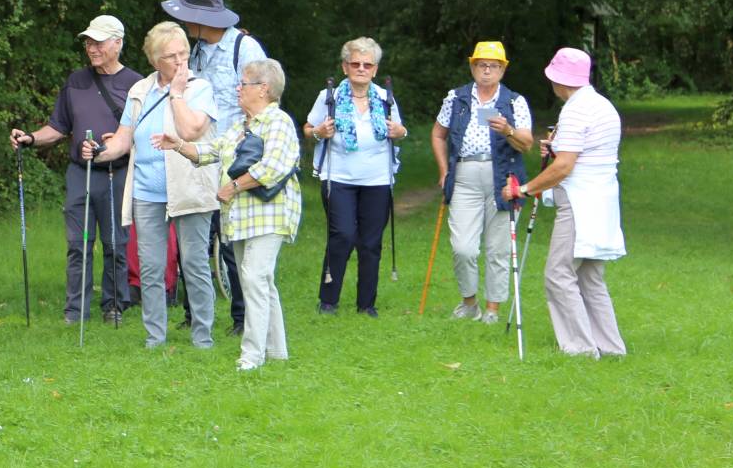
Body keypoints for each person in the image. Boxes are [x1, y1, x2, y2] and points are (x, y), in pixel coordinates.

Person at [153, 59, 301, 369]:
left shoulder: (279, 123)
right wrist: (177, 144)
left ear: (263, 89)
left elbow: (272, 168)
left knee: (254, 276)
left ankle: (251, 356)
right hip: (243, 217)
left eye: (244, 83)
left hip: (271, 214)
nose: (238, 88)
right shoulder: (241, 126)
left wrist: (232, 187)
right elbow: (212, 151)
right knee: (262, 281)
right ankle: (278, 352)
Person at [85, 22, 217, 348]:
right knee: (151, 267)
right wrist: (100, 153)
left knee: (195, 263)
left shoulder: (199, 88)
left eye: (184, 54)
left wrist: (176, 93)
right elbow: (122, 140)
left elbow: (192, 131)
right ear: (155, 59)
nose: (180, 62)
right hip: (146, 190)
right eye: (171, 56)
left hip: (188, 187)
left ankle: (203, 337)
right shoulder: (139, 91)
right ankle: (154, 337)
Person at [9, 14, 142, 326]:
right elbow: (58, 127)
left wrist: (119, 144)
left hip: (118, 174)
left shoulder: (136, 85)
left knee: (115, 244)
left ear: (117, 43)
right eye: (88, 42)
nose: (91, 48)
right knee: (78, 244)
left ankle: (114, 306)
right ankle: (75, 311)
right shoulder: (76, 81)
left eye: (98, 41)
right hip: (79, 174)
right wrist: (31, 138)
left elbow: (144, 134)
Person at [505, 48, 626, 358]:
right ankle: (610, 347)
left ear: (560, 80)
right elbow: (581, 153)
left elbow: (564, 167)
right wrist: (557, 149)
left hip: (580, 202)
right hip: (603, 200)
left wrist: (525, 190)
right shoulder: (602, 105)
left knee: (558, 274)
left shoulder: (575, 110)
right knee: (589, 276)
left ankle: (580, 349)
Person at [163, 0, 267, 336]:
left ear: (200, 18)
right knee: (196, 239)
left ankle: (241, 318)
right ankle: (195, 314)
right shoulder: (196, 51)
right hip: (198, 153)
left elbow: (264, 98)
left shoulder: (244, 47)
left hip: (233, 156)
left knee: (231, 240)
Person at [430, 41, 534, 325]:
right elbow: (438, 134)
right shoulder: (457, 98)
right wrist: (443, 171)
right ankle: (469, 303)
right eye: (482, 65)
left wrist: (508, 129)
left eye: (494, 66)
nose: (487, 71)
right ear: (473, 66)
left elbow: (526, 145)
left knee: (498, 248)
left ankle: (492, 309)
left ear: (503, 70)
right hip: (463, 175)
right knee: (463, 247)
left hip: (502, 176)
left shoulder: (514, 101)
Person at [303, 37, 408, 317]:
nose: (361, 68)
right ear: (345, 67)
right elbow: (308, 128)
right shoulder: (330, 97)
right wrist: (318, 133)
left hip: (377, 179)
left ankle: (366, 304)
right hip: (338, 177)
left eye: (367, 64)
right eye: (355, 63)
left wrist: (402, 133)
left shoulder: (385, 98)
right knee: (343, 235)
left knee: (371, 242)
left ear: (375, 69)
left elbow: (399, 130)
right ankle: (328, 299)